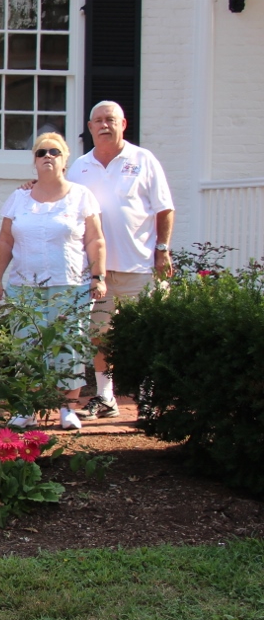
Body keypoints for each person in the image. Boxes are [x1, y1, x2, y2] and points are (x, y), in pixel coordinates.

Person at [0, 132, 107, 431]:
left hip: (70, 285)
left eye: (54, 152)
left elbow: (95, 240)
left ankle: (68, 409)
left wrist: (98, 276)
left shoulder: (81, 196)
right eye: (41, 152)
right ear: (34, 161)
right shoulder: (19, 198)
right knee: (27, 347)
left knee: (69, 345)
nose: (47, 157)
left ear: (65, 159)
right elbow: (5, 241)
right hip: (24, 287)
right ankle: (27, 409)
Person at [67, 101, 174, 420]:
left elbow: (164, 208)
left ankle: (147, 399)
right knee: (100, 336)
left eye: (110, 120)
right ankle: (105, 396)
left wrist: (162, 249)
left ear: (123, 124)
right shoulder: (80, 167)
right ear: (89, 127)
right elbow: (64, 203)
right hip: (96, 272)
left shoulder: (143, 160)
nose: (104, 125)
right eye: (98, 120)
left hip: (140, 267)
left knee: (145, 334)